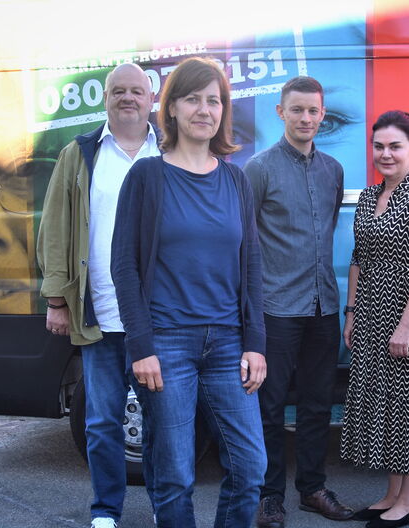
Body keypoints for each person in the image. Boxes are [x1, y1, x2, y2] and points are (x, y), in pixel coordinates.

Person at [110, 56, 267, 528]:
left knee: (250, 467)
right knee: (175, 474)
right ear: (172, 108)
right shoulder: (147, 177)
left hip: (228, 343)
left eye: (214, 100)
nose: (205, 109)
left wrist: (255, 343)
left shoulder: (235, 179)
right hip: (166, 344)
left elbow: (252, 265)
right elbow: (124, 265)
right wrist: (141, 346)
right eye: (193, 99)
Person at [36, 62, 159, 528]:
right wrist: (56, 299)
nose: (128, 98)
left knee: (163, 424)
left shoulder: (168, 150)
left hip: (157, 318)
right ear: (105, 98)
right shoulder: (80, 153)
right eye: (118, 91)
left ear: (151, 99)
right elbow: (55, 228)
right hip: (100, 315)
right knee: (102, 422)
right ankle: (106, 510)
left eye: (137, 91)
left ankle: (163, 504)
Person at [243, 76, 353, 528]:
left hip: (323, 307)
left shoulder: (333, 170)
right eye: (297, 110)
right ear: (281, 112)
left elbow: (327, 227)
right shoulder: (258, 169)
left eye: (313, 111)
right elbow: (244, 241)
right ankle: (269, 497)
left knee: (316, 404)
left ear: (322, 114)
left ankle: (312, 489)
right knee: (268, 409)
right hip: (275, 309)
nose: (305, 118)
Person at [341, 110, 409, 528]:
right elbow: (358, 258)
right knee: (384, 404)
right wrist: (351, 312)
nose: (385, 154)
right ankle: (391, 495)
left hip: (408, 316)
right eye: (379, 146)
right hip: (369, 312)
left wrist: (406, 326)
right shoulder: (369, 197)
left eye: (395, 146)